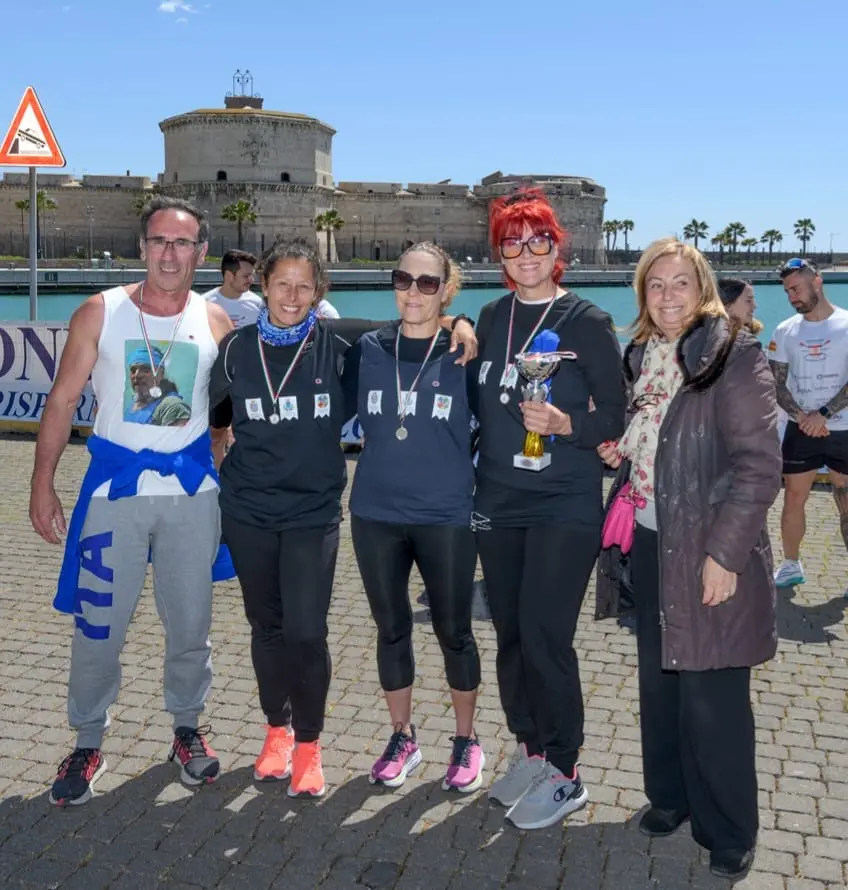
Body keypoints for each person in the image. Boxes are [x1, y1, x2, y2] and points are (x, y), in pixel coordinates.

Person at [209, 238, 476, 798]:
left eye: (305, 285)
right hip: (249, 512)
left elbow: (417, 317)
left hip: (313, 513)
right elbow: (217, 417)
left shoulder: (342, 345)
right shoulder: (234, 349)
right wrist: (222, 459)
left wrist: (460, 318)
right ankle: (276, 732)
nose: (292, 295)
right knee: (267, 630)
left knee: (307, 633)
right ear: (263, 285)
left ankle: (309, 743)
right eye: (282, 283)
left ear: (319, 293)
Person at [29, 196, 234, 807]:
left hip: (192, 498)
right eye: (159, 241)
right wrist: (42, 484)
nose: (170, 254)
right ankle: (88, 739)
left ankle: (187, 730)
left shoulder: (217, 322)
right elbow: (63, 403)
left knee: (191, 627)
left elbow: (222, 420)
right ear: (141, 246)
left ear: (201, 252)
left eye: (183, 243)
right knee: (98, 626)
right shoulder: (101, 312)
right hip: (114, 495)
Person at [595, 237, 781, 881]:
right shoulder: (641, 355)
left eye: (681, 283)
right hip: (649, 541)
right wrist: (620, 452)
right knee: (661, 684)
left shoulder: (734, 353)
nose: (668, 296)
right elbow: (653, 438)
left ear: (701, 288)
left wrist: (725, 555)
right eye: (655, 284)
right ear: (642, 293)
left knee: (713, 695)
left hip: (706, 547)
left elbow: (760, 466)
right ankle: (669, 797)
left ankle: (729, 827)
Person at [468, 189, 627, 830]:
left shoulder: (587, 321)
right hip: (497, 498)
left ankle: (566, 771)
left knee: (545, 634)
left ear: (557, 248)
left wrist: (567, 422)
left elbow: (618, 413)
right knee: (509, 633)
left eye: (539, 241)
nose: (526, 253)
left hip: (563, 500)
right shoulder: (486, 316)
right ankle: (532, 751)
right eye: (513, 241)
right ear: (499, 250)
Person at [341, 242, 483, 792]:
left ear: (447, 289)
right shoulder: (366, 346)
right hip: (374, 513)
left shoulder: (466, 352)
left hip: (446, 514)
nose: (414, 292)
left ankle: (467, 739)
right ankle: (403, 736)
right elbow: (291, 324)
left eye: (429, 283)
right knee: (392, 629)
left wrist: (462, 322)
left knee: (454, 632)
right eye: (405, 279)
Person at [767, 258, 848, 591]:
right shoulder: (785, 331)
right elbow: (775, 383)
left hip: (843, 428)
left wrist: (824, 414)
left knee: (844, 496)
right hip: (801, 429)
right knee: (794, 498)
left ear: (817, 282)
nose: (792, 297)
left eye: (796, 288)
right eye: (787, 291)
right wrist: (803, 417)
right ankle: (790, 565)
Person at [204, 249, 264, 328]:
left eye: (252, 276)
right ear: (229, 276)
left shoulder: (259, 305)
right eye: (246, 276)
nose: (252, 280)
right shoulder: (204, 305)